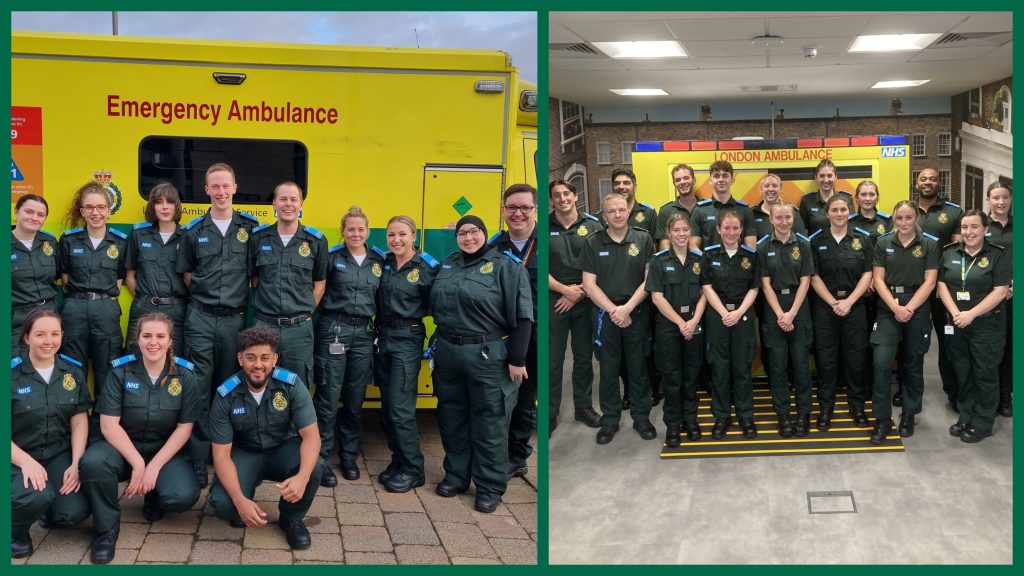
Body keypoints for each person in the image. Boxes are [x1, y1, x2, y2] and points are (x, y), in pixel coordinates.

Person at [429, 215, 533, 513]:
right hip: (449, 352)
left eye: (474, 232)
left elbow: (524, 317)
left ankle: (489, 486)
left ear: (485, 234)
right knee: (452, 417)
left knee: (490, 423)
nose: (468, 237)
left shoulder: (506, 266)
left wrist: (517, 359)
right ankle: (457, 475)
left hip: (489, 355)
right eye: (462, 233)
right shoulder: (448, 263)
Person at [79, 313, 200, 564]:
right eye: (146, 336)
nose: (153, 342)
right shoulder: (120, 372)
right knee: (92, 463)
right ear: (138, 339)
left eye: (160, 336)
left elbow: (184, 428)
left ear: (170, 340)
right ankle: (106, 529)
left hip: (163, 450)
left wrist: (153, 466)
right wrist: (138, 463)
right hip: (121, 448)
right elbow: (109, 425)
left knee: (182, 495)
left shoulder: (186, 376)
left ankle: (154, 496)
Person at [177, 162, 259, 488]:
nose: (221, 192)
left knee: (229, 388)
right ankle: (197, 457)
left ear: (235, 188)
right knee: (197, 387)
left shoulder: (250, 229)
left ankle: (224, 452)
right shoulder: (194, 231)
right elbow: (186, 273)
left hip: (234, 321)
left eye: (226, 186)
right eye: (215, 186)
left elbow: (255, 275)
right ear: (206, 190)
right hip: (199, 317)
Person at [208, 325, 322, 550]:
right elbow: (220, 455)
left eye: (264, 358)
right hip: (246, 452)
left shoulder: (291, 384)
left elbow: (311, 437)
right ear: (240, 359)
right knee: (224, 505)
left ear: (275, 359)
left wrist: (303, 477)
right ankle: (244, 494)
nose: (258, 365)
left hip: (282, 449)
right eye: (250, 358)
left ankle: (291, 518)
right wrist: (240, 502)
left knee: (316, 466)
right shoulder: (225, 394)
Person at [11, 308, 91, 560]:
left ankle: (44, 508)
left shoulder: (72, 372)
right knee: (36, 495)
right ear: (26, 338)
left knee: (74, 512)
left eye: (55, 334)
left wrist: (76, 463)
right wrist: (26, 462)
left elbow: (79, 420)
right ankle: (15, 530)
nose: (49, 341)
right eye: (40, 334)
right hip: (16, 455)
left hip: (56, 452)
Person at [312, 206, 380, 487]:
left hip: (364, 332)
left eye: (360, 229)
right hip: (334, 329)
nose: (355, 233)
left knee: (354, 398)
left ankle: (349, 457)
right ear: (342, 231)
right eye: (350, 229)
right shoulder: (331, 258)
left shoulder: (379, 261)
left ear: (367, 231)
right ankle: (322, 460)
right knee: (327, 398)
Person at [580, 192, 655, 445]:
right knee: (609, 369)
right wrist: (614, 310)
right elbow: (588, 285)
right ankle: (610, 420)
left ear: (628, 212)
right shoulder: (593, 242)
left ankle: (641, 417)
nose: (617, 215)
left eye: (622, 210)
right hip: (604, 315)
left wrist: (627, 309)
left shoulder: (643, 239)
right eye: (611, 211)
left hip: (637, 313)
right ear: (604, 216)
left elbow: (648, 281)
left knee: (638, 367)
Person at [869, 200, 940, 444]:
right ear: (894, 219)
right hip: (889, 306)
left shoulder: (929, 244)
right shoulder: (883, 242)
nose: (904, 223)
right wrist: (895, 308)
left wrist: (908, 308)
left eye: (908, 218)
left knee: (912, 363)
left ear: (916, 219)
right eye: (899, 218)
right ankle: (881, 418)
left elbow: (930, 282)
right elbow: (878, 279)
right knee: (881, 364)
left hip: (917, 307)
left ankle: (909, 414)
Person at [376, 215, 438, 493]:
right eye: (391, 235)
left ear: (414, 236)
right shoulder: (385, 263)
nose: (396, 240)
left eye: (402, 234)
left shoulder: (426, 268)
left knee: (401, 408)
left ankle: (414, 470)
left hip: (407, 338)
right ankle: (399, 460)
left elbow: (436, 304)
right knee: (388, 405)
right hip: (383, 337)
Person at [938, 210, 1011, 443]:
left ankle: (982, 422)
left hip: (986, 325)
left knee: (984, 374)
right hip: (958, 322)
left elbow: (1000, 291)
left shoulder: (997, 255)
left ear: (985, 229)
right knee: (963, 372)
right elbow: (941, 285)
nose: (968, 232)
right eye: (965, 227)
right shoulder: (950, 252)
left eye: (974, 227)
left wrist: (971, 314)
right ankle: (965, 415)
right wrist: (956, 312)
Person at [251, 181, 328, 385]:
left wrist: (304, 312)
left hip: (299, 330)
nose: (288, 204)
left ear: (301, 204)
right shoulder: (258, 238)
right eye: (283, 199)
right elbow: (254, 278)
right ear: (274, 204)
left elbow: (319, 283)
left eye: (294, 199)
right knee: (262, 382)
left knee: (297, 385)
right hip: (264, 326)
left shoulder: (316, 241)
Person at [809, 194, 874, 431]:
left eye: (843, 209)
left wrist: (848, 302)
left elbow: (868, 274)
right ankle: (826, 407)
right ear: (827, 213)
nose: (839, 214)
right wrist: (834, 303)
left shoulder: (863, 240)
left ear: (850, 212)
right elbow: (813, 276)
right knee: (826, 360)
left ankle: (856, 405)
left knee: (856, 359)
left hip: (854, 307)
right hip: (825, 308)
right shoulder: (815, 241)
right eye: (834, 210)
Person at [597, 168, 660, 408]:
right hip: (611, 305)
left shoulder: (648, 215)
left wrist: (632, 303)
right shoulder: (599, 230)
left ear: (634, 185)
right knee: (617, 358)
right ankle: (628, 394)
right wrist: (616, 310)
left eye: (626, 182)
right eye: (617, 183)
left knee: (644, 351)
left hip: (642, 297)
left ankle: (649, 391)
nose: (622, 186)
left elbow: (653, 254)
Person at [57, 181, 127, 395]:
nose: (95, 213)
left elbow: (119, 280)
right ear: (82, 211)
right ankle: (74, 419)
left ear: (109, 211)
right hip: (74, 308)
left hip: (106, 309)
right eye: (89, 207)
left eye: (100, 207)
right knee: (72, 366)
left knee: (108, 366)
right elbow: (65, 277)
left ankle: (101, 423)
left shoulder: (120, 242)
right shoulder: (68, 240)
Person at [489, 184, 539, 481]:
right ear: (503, 210)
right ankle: (498, 453)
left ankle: (517, 456)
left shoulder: (548, 243)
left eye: (524, 207)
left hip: (538, 333)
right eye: (512, 208)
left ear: (535, 210)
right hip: (505, 335)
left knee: (525, 398)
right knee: (502, 397)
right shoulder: (494, 247)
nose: (517, 213)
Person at [548, 180, 603, 435]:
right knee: (552, 360)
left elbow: (600, 264)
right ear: (552, 200)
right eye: (557, 195)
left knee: (583, 358)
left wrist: (577, 292)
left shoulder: (592, 226)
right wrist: (564, 290)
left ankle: (583, 408)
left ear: (575, 195)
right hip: (554, 301)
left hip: (585, 300)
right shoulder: (543, 228)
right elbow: (540, 268)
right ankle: (549, 413)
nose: (562, 198)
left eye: (566, 193)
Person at [646, 214, 706, 446]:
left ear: (690, 232)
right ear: (669, 234)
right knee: (672, 377)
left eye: (685, 230)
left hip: (694, 323)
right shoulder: (659, 260)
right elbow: (657, 298)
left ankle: (690, 420)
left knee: (691, 375)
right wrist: (681, 323)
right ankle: (672, 424)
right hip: (669, 326)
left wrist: (693, 321)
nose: (681, 234)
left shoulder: (700, 260)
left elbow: (705, 294)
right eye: (676, 230)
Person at [700, 210, 760, 439]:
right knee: (719, 370)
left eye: (736, 228)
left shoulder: (751, 256)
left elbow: (754, 288)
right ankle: (722, 416)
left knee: (742, 370)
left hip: (743, 317)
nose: (731, 232)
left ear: (741, 230)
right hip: (717, 317)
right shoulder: (709, 256)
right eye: (727, 228)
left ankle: (746, 416)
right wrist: (725, 313)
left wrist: (738, 313)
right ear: (718, 230)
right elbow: (707, 287)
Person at [757, 202, 814, 437]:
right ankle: (783, 415)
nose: (783, 222)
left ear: (793, 219)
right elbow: (765, 283)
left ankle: (803, 414)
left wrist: (791, 313)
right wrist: (780, 314)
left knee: (801, 366)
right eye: (778, 218)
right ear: (771, 219)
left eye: (787, 217)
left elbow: (806, 280)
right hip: (774, 311)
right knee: (778, 367)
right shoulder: (762, 247)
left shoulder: (803, 244)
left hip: (798, 308)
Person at [913, 168, 963, 412]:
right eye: (923, 179)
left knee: (947, 341)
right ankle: (908, 389)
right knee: (912, 342)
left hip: (942, 290)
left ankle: (953, 392)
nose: (928, 182)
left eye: (932, 179)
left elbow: (957, 252)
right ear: (917, 182)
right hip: (915, 290)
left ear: (939, 182)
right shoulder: (908, 211)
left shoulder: (953, 212)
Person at [124, 183, 188, 356]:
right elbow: (130, 275)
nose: (165, 207)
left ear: (177, 206)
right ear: (152, 206)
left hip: (176, 309)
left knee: (175, 360)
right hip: (143, 307)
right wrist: (144, 297)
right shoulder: (138, 235)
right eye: (159, 202)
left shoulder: (188, 237)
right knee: (135, 358)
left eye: (170, 202)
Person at [11, 194, 58, 357]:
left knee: (44, 366)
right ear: (17, 212)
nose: (34, 218)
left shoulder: (50, 243)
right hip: (16, 321)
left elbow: (58, 275)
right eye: (29, 212)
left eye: (40, 215)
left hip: (48, 316)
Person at [984, 182, 1013, 417]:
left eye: (1005, 197)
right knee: (992, 348)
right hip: (989, 297)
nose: (1001, 202)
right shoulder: (982, 227)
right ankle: (989, 396)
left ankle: (1005, 395)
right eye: (996, 198)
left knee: (1011, 348)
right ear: (988, 200)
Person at [689, 160, 757, 250]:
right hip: (708, 263)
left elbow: (751, 246)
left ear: (732, 180)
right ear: (710, 181)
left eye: (725, 176)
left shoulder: (745, 210)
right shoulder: (699, 210)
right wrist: (706, 262)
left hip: (737, 263)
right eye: (716, 176)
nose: (721, 180)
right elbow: (693, 245)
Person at [798, 159, 853, 236]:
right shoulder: (807, 201)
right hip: (816, 247)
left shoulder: (847, 199)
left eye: (829, 176)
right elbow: (803, 232)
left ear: (835, 177)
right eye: (822, 176)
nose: (826, 180)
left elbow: (851, 226)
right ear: (816, 177)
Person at [655, 164, 700, 251]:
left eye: (686, 178)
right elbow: (664, 245)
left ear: (694, 180)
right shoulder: (666, 211)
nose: (682, 182)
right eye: (678, 180)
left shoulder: (707, 208)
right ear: (674, 184)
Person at [752, 173, 806, 240]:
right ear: (761, 189)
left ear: (781, 189)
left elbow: (802, 241)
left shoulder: (793, 212)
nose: (771, 189)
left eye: (775, 186)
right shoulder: (752, 214)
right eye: (766, 186)